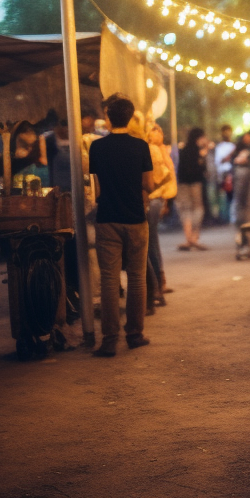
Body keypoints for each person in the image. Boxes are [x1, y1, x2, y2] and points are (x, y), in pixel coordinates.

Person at [88, 93, 155, 358]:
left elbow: (97, 188)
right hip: (136, 219)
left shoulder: (97, 147)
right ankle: (135, 335)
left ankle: (109, 340)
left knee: (109, 280)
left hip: (107, 218)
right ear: (130, 117)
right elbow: (148, 185)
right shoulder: (140, 147)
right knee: (137, 278)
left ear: (107, 116)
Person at [146, 123, 176, 309]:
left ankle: (156, 286)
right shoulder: (159, 149)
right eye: (156, 131)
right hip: (158, 198)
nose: (159, 134)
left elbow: (161, 177)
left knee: (150, 243)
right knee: (153, 241)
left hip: (152, 198)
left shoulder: (154, 150)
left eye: (159, 131)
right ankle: (159, 283)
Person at [176, 127, 208, 250]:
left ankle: (188, 238)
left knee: (185, 210)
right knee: (198, 209)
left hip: (182, 184)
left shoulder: (183, 150)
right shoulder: (198, 151)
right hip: (195, 183)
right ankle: (194, 238)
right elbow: (202, 169)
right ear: (199, 138)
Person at [0, 120, 48, 186]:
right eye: (24, 145)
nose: (30, 149)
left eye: (32, 145)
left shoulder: (34, 163)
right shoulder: (1, 164)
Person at [230, 130, 250, 223]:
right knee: (240, 199)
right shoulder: (241, 147)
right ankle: (238, 220)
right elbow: (236, 160)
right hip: (241, 172)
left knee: (247, 200)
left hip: (245, 173)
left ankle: (245, 220)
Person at [214, 124, 236, 222]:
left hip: (232, 172)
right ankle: (224, 218)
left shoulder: (233, 146)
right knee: (224, 197)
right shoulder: (219, 147)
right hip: (223, 174)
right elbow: (219, 161)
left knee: (233, 196)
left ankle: (232, 217)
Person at [44, 117, 73, 190]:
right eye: (61, 125)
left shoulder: (77, 139)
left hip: (74, 183)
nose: (64, 129)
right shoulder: (49, 140)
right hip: (57, 184)